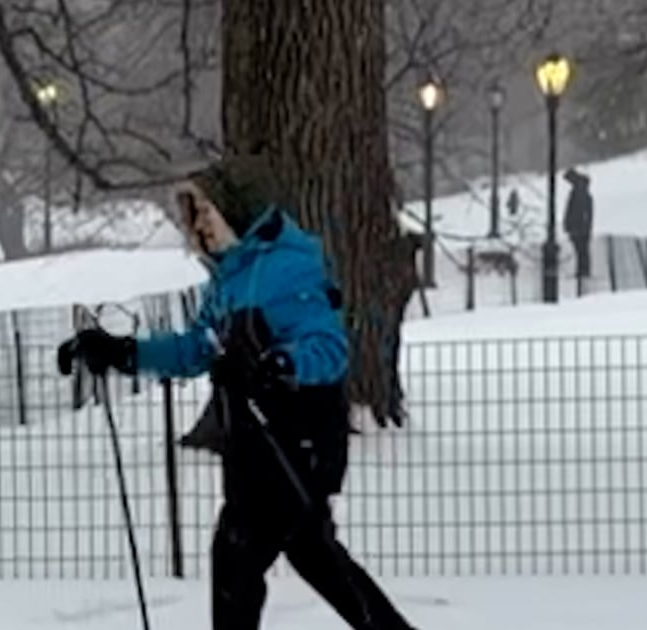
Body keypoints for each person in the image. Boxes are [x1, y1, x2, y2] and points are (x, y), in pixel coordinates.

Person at [57, 154, 416, 630]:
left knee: (238, 555)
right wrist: (124, 353)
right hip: (252, 444)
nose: (199, 224)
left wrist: (281, 365)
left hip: (296, 439)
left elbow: (327, 346)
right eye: (192, 216)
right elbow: (197, 349)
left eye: (206, 211)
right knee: (313, 555)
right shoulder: (228, 279)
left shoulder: (287, 267)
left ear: (237, 212)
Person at [562, 168, 593, 278]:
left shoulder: (578, 192)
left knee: (581, 249)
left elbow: (574, 210)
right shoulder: (581, 191)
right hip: (580, 226)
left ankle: (583, 270)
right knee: (582, 249)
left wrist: (569, 224)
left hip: (578, 226)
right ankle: (583, 269)